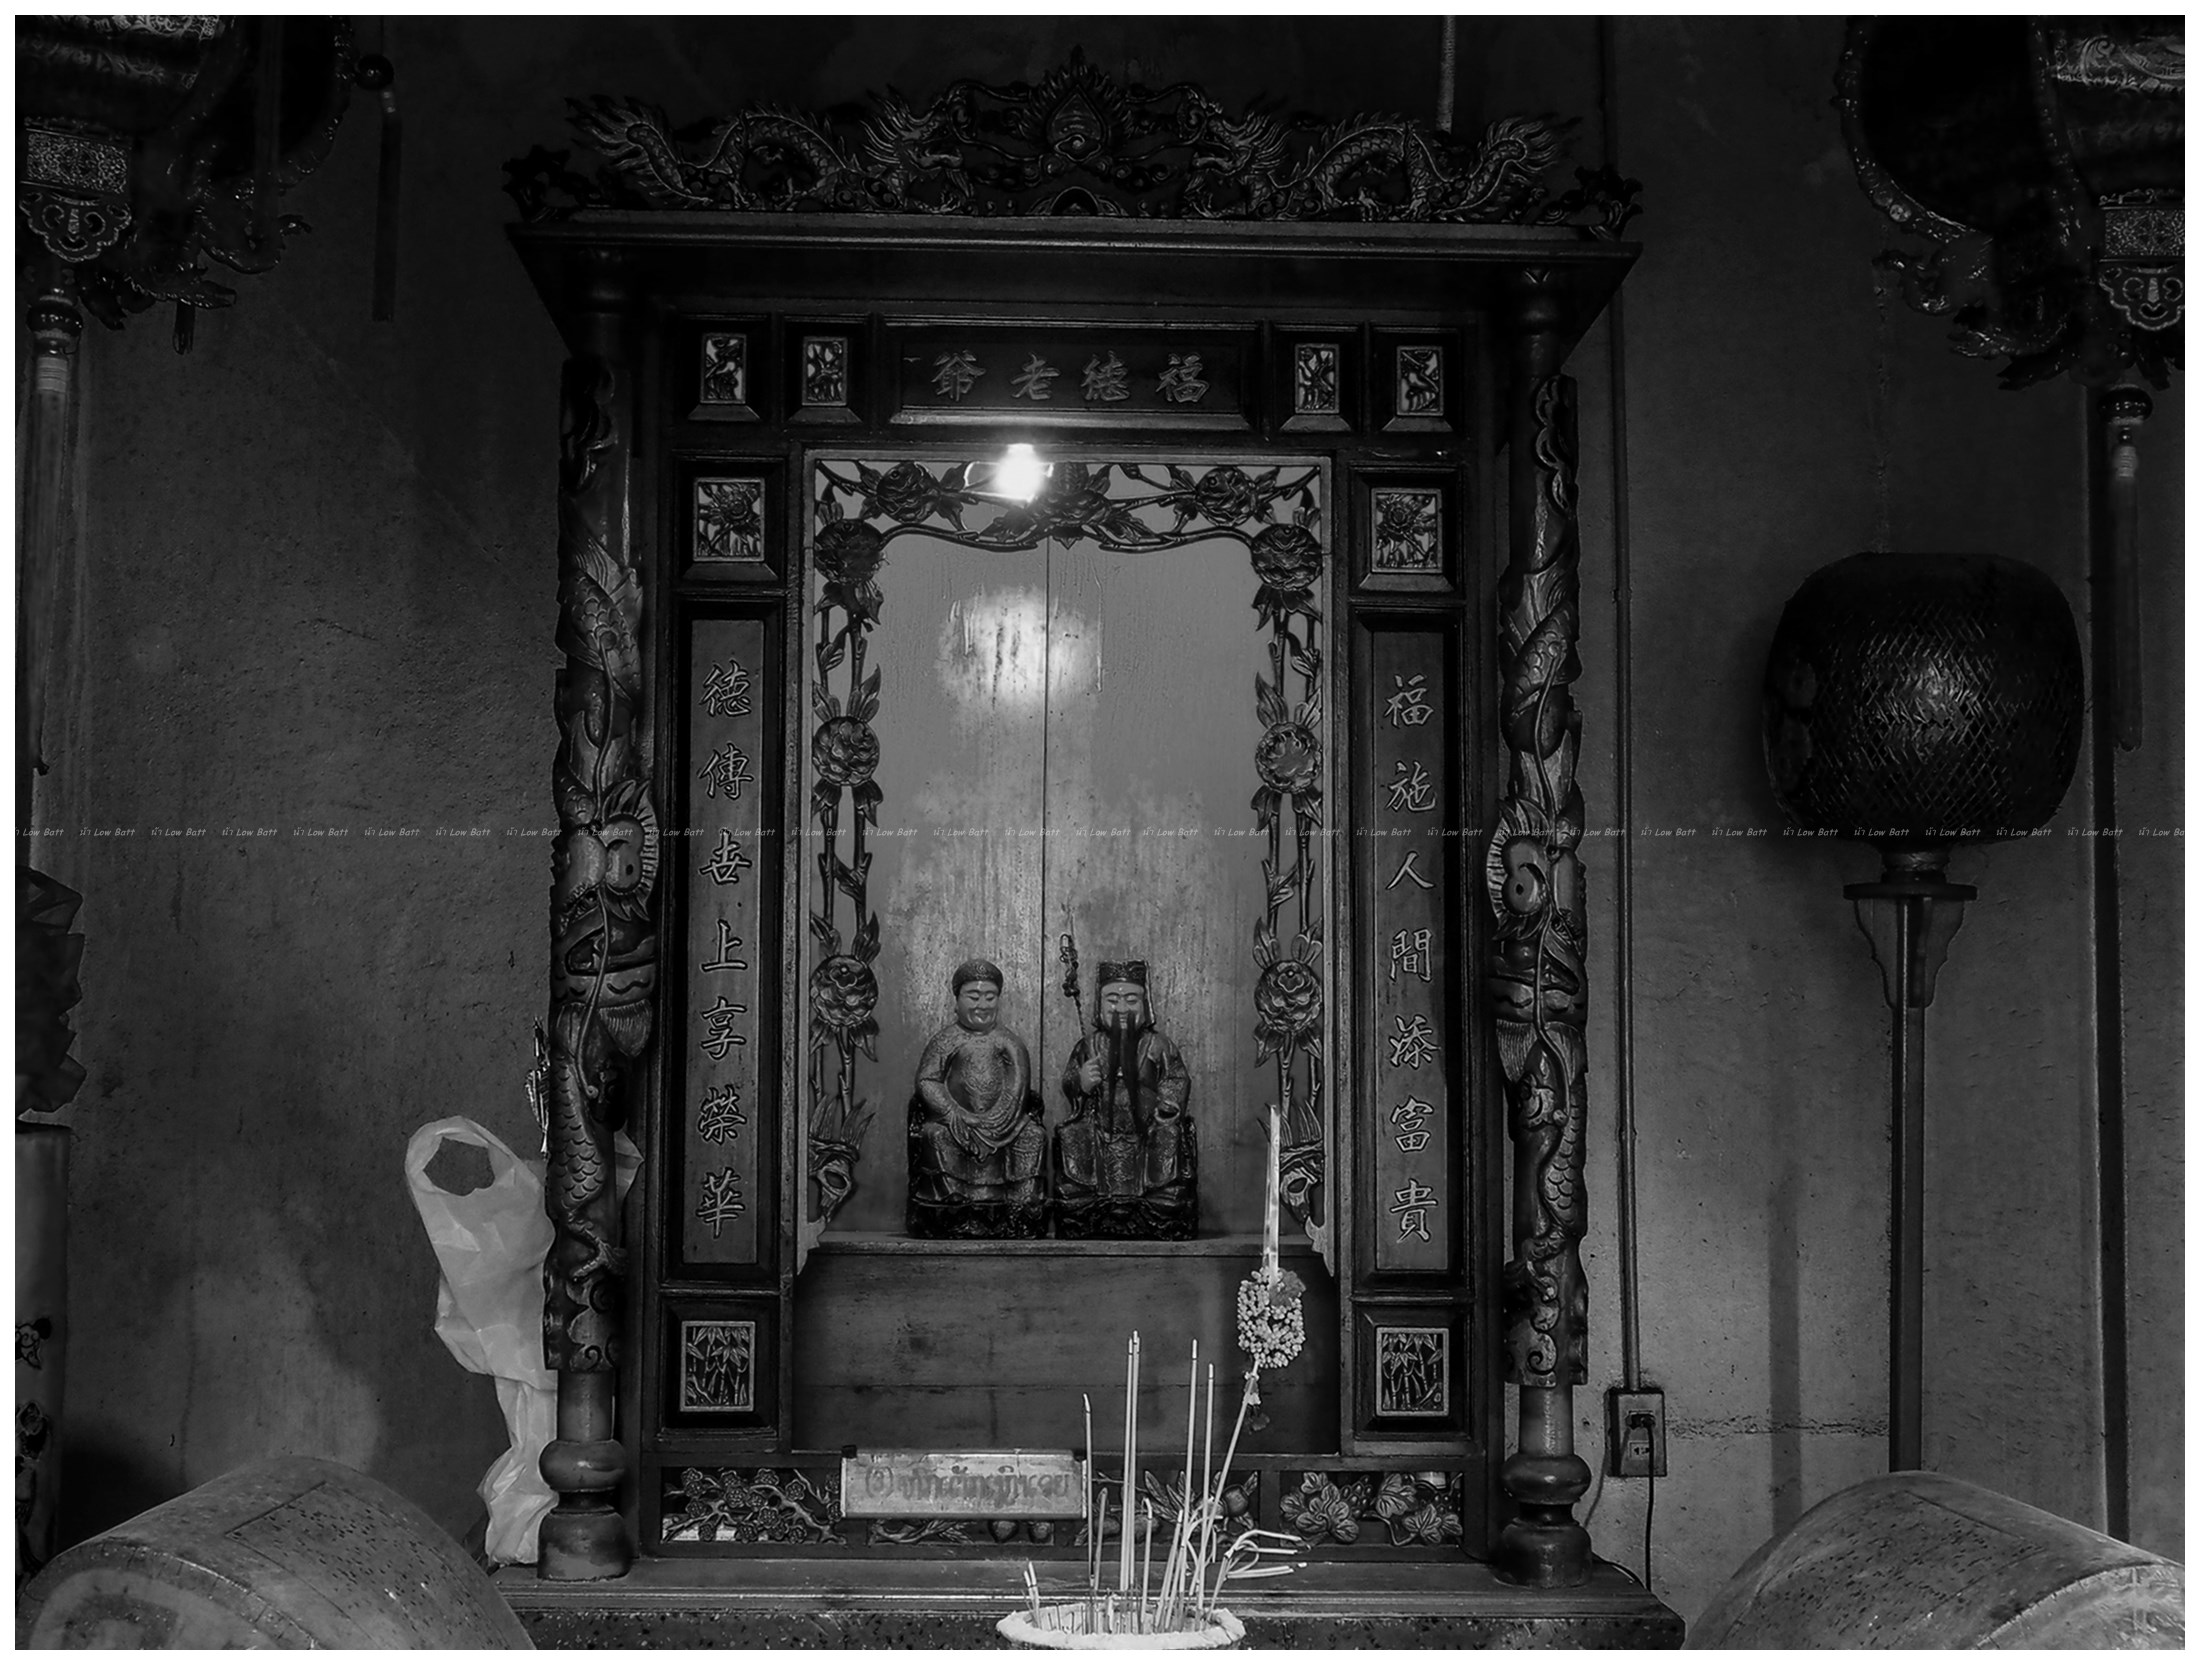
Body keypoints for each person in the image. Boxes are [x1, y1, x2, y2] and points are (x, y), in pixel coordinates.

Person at [1055, 960, 1197, 1239]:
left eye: (1131, 1000)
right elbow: (1070, 1081)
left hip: (1146, 1129)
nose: (1121, 1008)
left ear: (1145, 1005)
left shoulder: (1158, 1045)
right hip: (1101, 1128)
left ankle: (1159, 1190)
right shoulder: (1089, 1046)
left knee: (1169, 1134)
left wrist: (1165, 1107)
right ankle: (1083, 1189)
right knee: (1072, 1132)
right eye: (1112, 999)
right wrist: (1081, 1083)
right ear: (1100, 1004)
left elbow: (1176, 1080)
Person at [907, 957, 1045, 1236]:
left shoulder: (1009, 1042)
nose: (982, 1004)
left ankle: (1021, 1198)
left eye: (989, 997)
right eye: (973, 996)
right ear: (957, 1000)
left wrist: (993, 1122)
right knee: (935, 1135)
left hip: (1005, 1123)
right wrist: (956, 1114)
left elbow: (1017, 1088)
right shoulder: (946, 1040)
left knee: (1033, 1135)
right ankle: (952, 1197)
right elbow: (927, 1080)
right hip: (957, 1122)